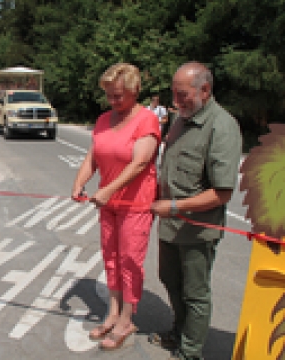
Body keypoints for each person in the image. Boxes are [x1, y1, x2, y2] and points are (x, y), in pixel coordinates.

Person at [149, 62, 242, 360]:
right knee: (169, 279)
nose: (176, 101)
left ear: (205, 89)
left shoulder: (221, 126)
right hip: (171, 226)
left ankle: (190, 352)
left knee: (195, 293)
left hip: (198, 230)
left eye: (182, 95)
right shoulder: (181, 120)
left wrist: (175, 206)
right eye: (174, 94)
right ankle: (179, 330)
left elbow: (222, 192)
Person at [71, 63, 160, 350]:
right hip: (108, 204)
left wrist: (108, 189)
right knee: (110, 257)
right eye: (109, 95)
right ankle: (112, 312)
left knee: (129, 260)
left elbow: (140, 162)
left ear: (135, 90)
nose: (113, 101)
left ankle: (126, 317)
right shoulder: (102, 120)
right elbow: (92, 157)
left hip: (135, 204)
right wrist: (79, 183)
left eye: (119, 95)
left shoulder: (147, 120)